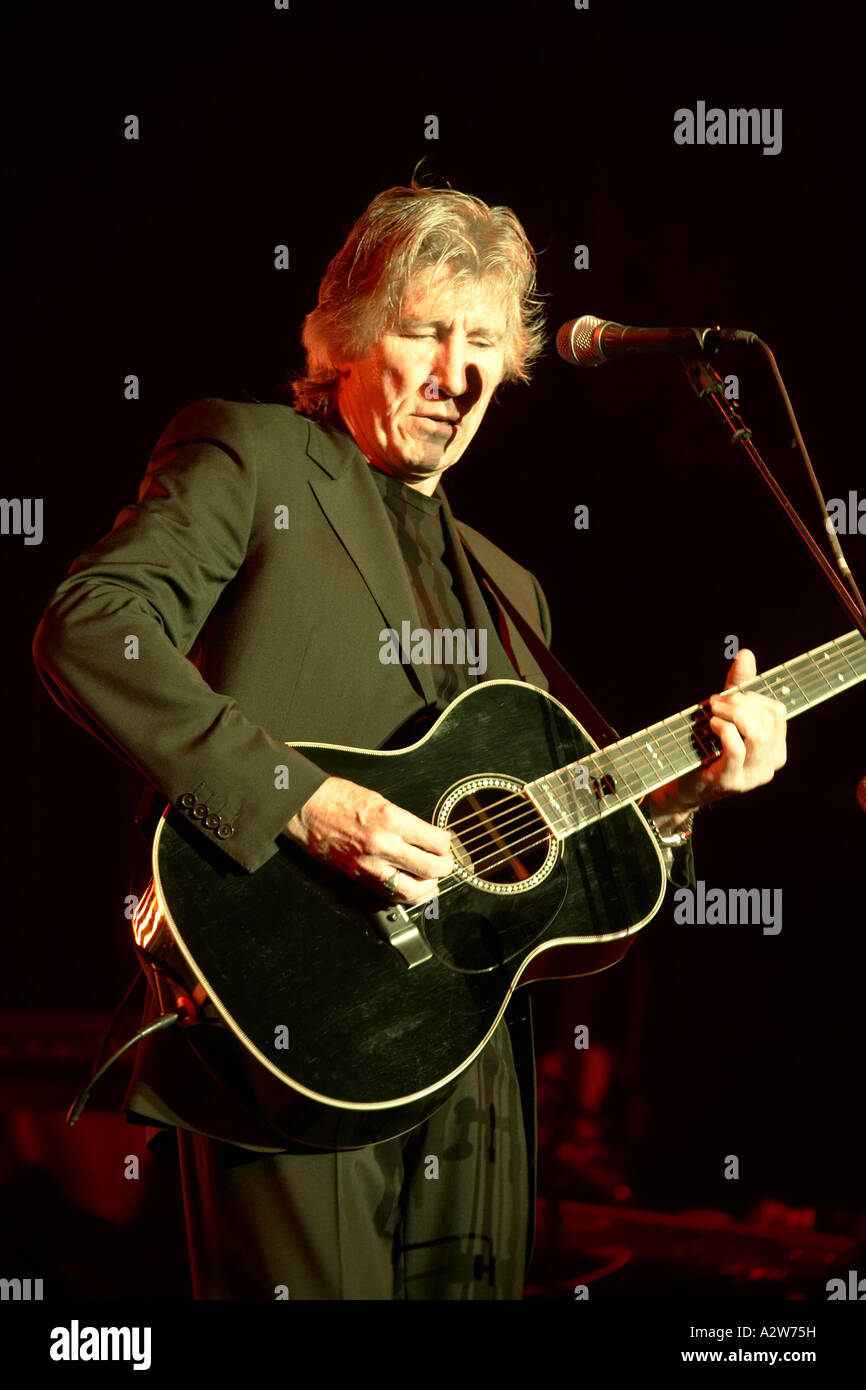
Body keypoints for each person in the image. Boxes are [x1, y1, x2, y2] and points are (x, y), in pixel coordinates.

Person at [32, 181, 788, 1300]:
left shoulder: (513, 588)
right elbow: (90, 629)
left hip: (470, 1063)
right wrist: (303, 801)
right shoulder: (251, 456)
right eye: (427, 330)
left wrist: (682, 800)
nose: (458, 370)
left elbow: (548, 867)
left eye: (483, 340)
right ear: (338, 338)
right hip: (291, 1028)